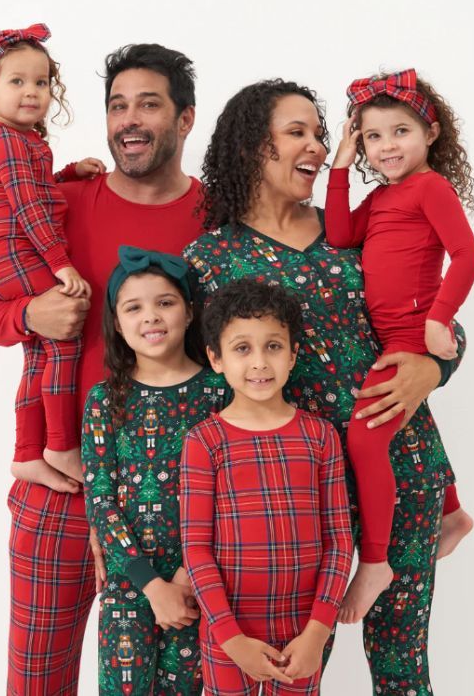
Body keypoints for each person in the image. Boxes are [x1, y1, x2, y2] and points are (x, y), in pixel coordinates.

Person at [184, 78, 466, 695]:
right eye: (297, 132)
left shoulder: (354, 229)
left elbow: (435, 316)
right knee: (292, 676)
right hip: (294, 500)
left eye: (321, 131)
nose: (316, 144)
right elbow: (196, 386)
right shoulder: (208, 258)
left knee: (402, 667)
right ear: (250, 148)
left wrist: (435, 367)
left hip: (400, 467)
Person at [0, 43, 201, 695]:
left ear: (185, 120)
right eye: (117, 105)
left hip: (176, 499)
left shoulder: (217, 223)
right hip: (61, 490)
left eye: (148, 104)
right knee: (37, 683)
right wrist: (30, 316)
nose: (129, 119)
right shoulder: (63, 200)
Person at [324, 68, 474, 623]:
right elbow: (340, 235)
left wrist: (441, 320)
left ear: (431, 133)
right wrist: (340, 167)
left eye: (400, 132)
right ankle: (454, 514)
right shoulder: (383, 194)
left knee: (364, 441)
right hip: (386, 337)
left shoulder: (431, 188)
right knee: (409, 423)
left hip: (413, 334)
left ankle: (376, 561)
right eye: (373, 136)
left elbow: (467, 255)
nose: (387, 146)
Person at [181, 279, 353, 695]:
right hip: (230, 633)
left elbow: (340, 543)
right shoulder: (204, 442)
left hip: (304, 634)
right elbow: (196, 549)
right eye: (242, 348)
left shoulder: (320, 436)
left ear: (293, 354)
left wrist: (317, 632)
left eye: (273, 346)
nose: (259, 362)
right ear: (216, 358)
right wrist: (230, 637)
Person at [0, 23, 106, 486]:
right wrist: (61, 264)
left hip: (9, 258)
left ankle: (26, 452)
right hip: (16, 255)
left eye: (41, 82)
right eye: (16, 81)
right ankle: (60, 445)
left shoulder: (22, 142)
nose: (32, 92)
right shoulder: (5, 139)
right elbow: (29, 208)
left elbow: (36, 185)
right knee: (64, 335)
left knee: (39, 352)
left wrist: (69, 171)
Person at [82, 246, 231, 694]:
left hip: (200, 582)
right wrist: (151, 586)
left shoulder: (221, 392)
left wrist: (188, 575)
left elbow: (231, 493)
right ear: (118, 322)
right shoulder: (105, 401)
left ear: (188, 313)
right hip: (131, 585)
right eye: (134, 307)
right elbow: (101, 499)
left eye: (165, 302)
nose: (151, 316)